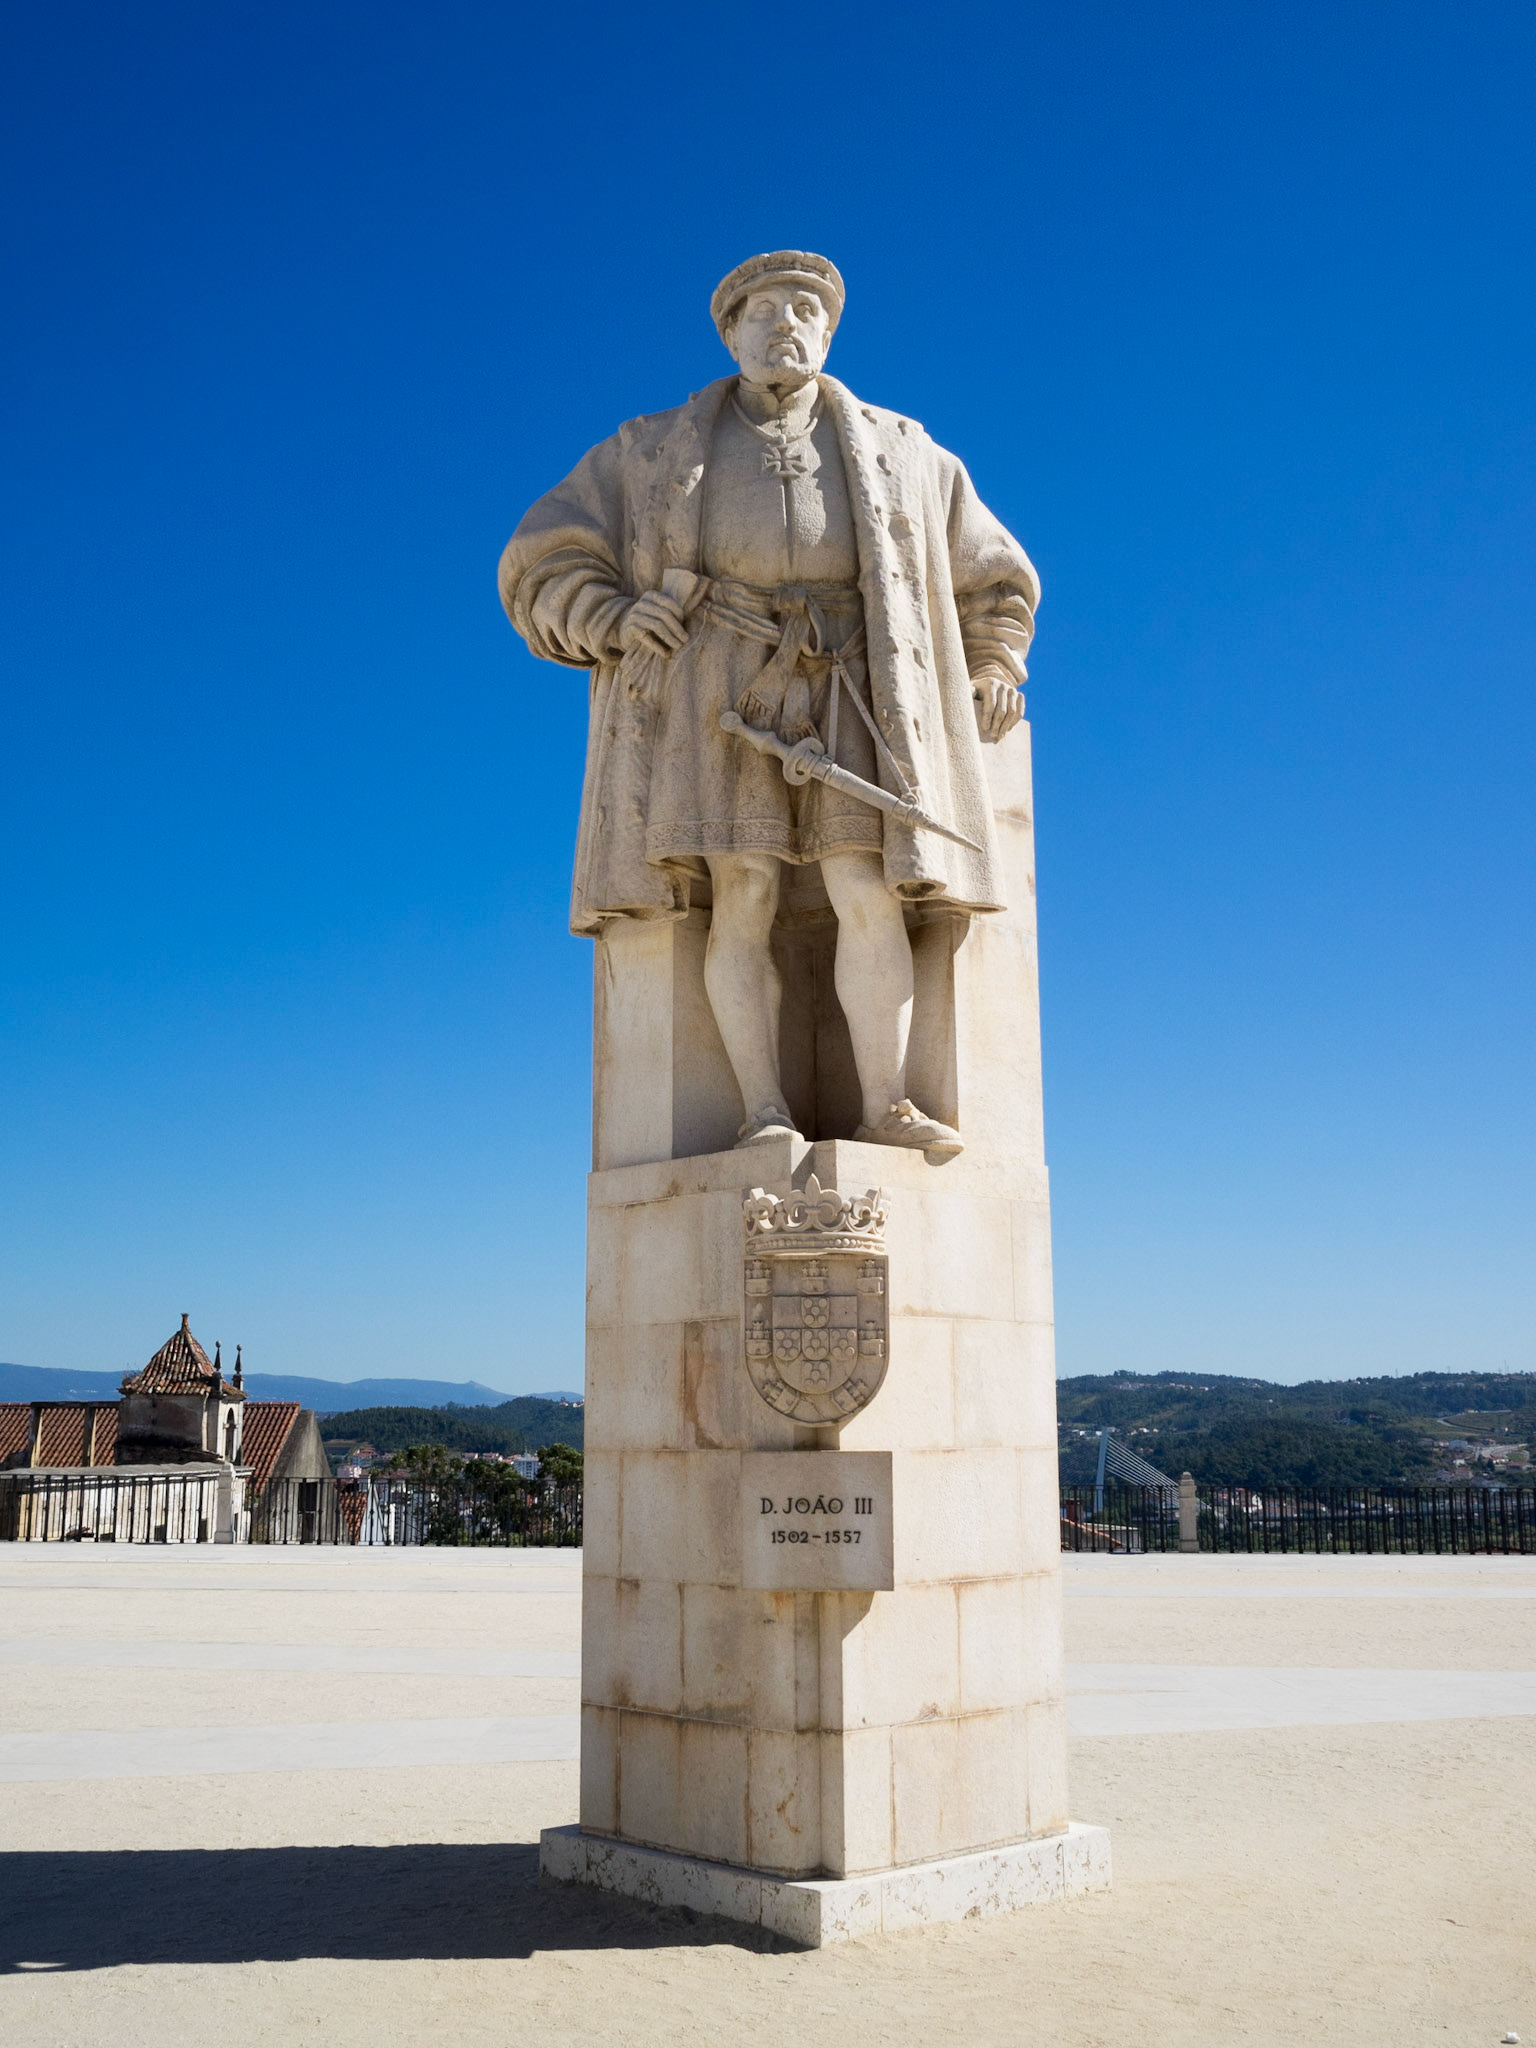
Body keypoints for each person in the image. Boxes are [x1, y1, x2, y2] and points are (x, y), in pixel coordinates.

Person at [500, 251, 1039, 1157]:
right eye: (763, 310)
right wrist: (613, 616)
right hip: (716, 677)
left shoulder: (907, 449)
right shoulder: (647, 448)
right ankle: (761, 1110)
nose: (786, 323)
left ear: (830, 333)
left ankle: (885, 1104)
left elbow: (991, 574)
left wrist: (991, 662)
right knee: (742, 891)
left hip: (858, 679)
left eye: (806, 309)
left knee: (867, 885)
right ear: (730, 333)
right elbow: (541, 556)